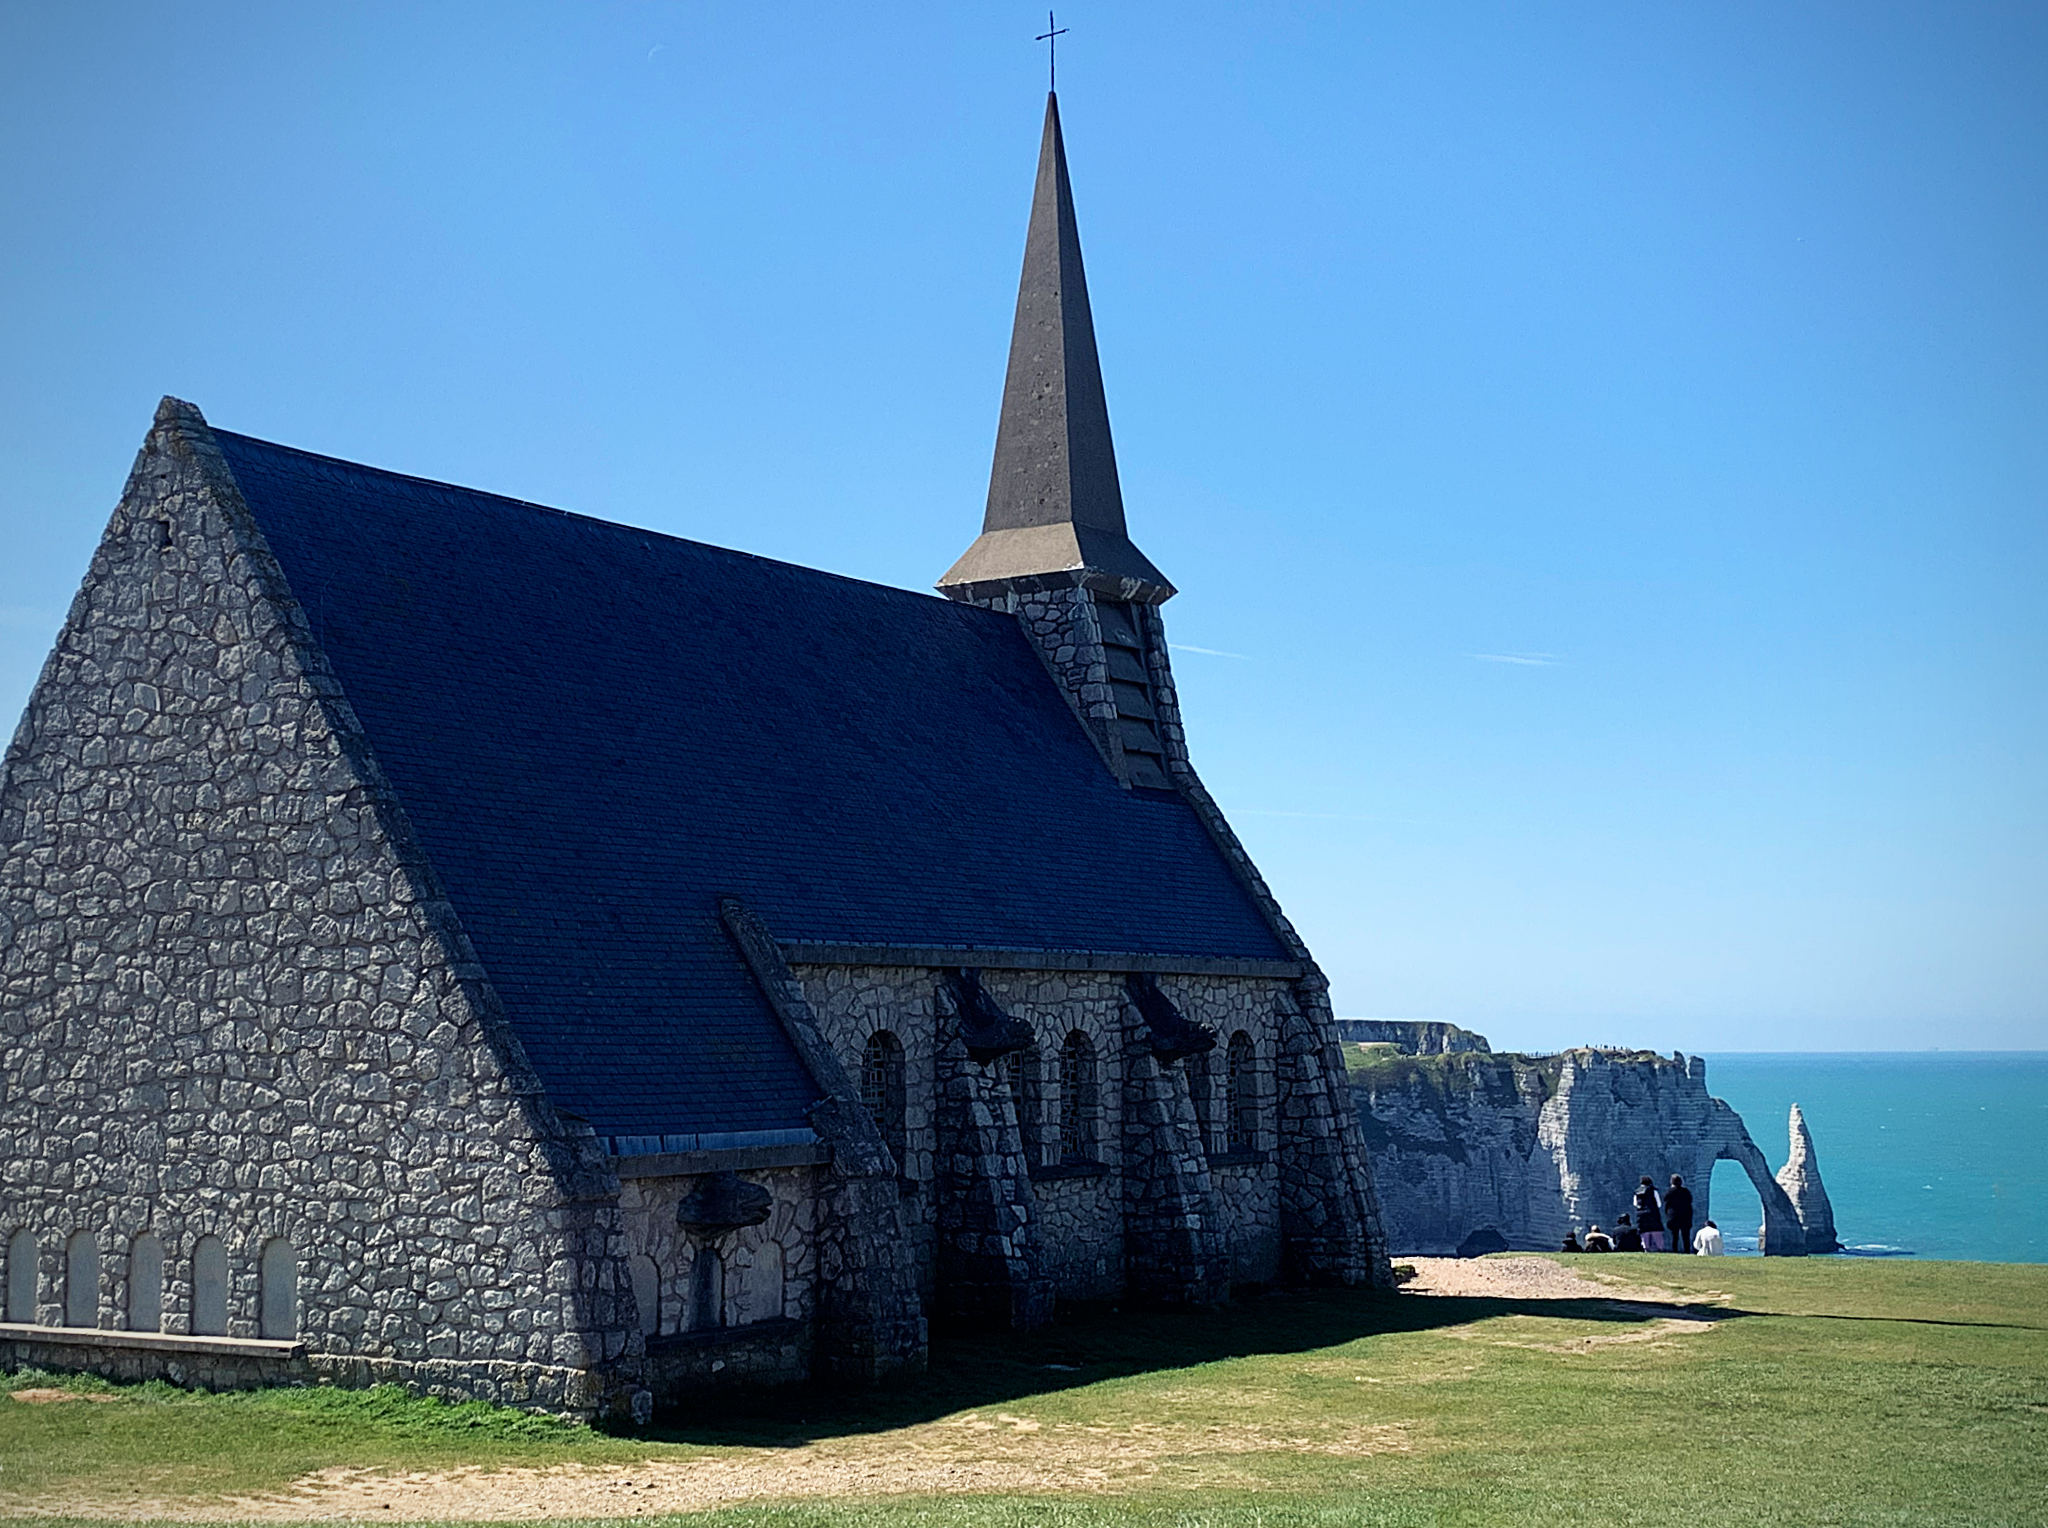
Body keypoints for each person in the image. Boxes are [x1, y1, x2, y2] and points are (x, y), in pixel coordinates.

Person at [1633, 1176, 1667, 1252]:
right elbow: (1659, 1204)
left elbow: (1635, 1204)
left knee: (1644, 1232)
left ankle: (1646, 1248)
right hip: (1653, 1214)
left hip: (1641, 1215)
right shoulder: (1653, 1191)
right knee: (1656, 1231)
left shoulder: (1637, 1192)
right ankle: (1660, 1249)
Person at [1664, 1174, 1695, 1253]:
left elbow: (1665, 1201)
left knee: (1675, 1237)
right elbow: (1690, 1201)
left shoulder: (1669, 1192)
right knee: (1686, 1237)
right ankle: (1687, 1251)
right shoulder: (1686, 1192)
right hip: (1685, 1216)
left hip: (1673, 1217)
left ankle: (1675, 1251)